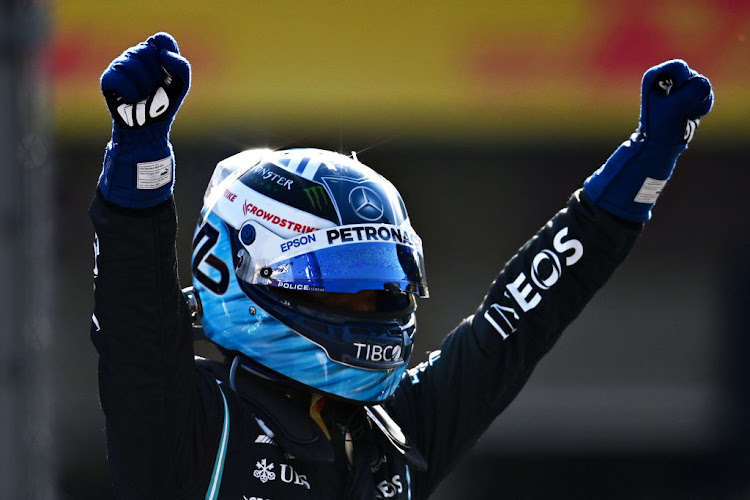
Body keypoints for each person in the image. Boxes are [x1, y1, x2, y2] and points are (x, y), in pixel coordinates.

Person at [89, 32, 713, 499]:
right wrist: (139, 157)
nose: (371, 306)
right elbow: (134, 323)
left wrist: (644, 167)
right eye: (341, 287)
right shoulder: (188, 426)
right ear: (241, 274)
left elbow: (522, 318)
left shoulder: (400, 431)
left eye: (381, 286)